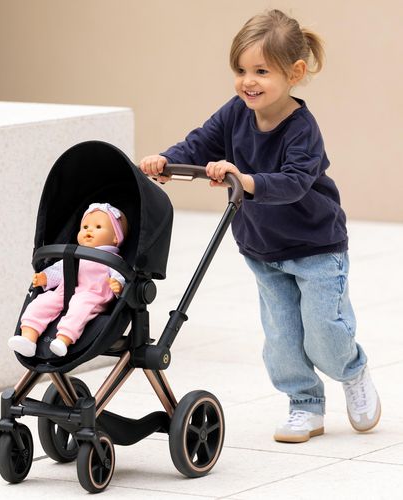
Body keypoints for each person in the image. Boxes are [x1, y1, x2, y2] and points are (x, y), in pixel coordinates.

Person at [140, 9, 380, 443]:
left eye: (261, 71)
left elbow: (293, 182)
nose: (247, 81)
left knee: (324, 335)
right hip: (263, 248)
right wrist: (167, 160)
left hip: (316, 248)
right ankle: (304, 404)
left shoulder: (302, 129)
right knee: (282, 338)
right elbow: (200, 142)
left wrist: (244, 179)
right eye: (241, 70)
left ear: (295, 73)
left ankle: (353, 370)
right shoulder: (235, 113)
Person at [8, 203, 128, 358]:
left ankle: (63, 339)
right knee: (42, 302)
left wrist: (118, 285)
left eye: (98, 227)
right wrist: (45, 277)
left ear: (115, 237)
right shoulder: (75, 254)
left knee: (80, 307)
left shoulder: (112, 260)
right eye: (85, 227)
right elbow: (60, 270)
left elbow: (120, 275)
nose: (89, 230)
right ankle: (28, 338)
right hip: (64, 292)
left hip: (93, 295)